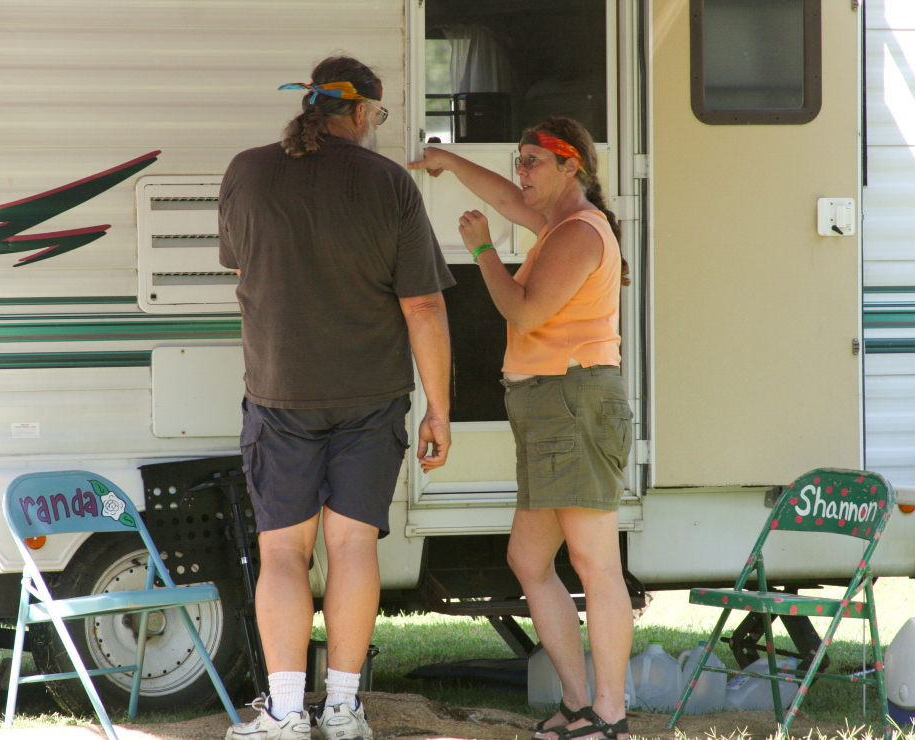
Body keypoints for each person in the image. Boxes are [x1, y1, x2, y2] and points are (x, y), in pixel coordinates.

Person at [219, 55, 455, 740]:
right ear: (357, 112)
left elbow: (240, 261)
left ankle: (287, 711)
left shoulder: (247, 172)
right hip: (371, 395)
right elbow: (423, 307)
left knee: (283, 555)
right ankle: (346, 709)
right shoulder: (389, 183)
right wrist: (439, 408)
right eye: (376, 113)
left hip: (280, 394)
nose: (376, 124)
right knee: (352, 546)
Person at [408, 118, 633, 740]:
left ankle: (610, 714)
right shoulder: (556, 223)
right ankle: (578, 703)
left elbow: (524, 312)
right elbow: (506, 198)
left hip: (573, 399)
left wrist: (482, 249)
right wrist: (448, 162)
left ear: (571, 167)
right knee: (529, 558)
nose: (521, 171)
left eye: (532, 160)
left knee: (594, 564)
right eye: (519, 158)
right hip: (547, 403)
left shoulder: (579, 231)